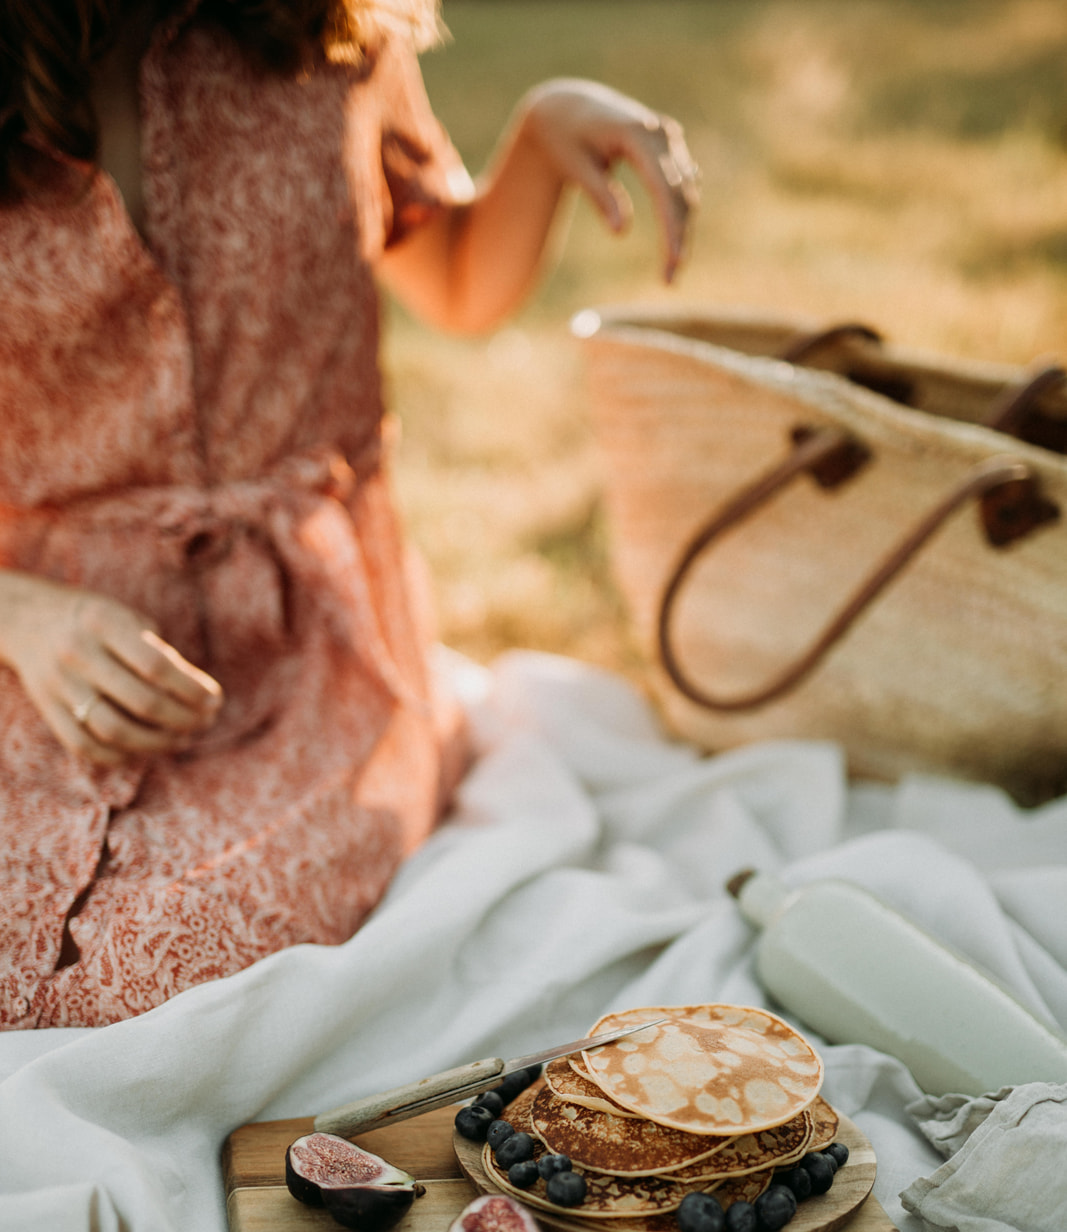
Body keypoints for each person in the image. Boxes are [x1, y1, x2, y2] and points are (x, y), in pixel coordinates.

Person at [0, 0, 698, 1030]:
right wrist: (25, 617)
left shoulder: (330, 29)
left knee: (176, 966)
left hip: (311, 643)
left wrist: (539, 139)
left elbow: (454, 275)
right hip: (37, 633)